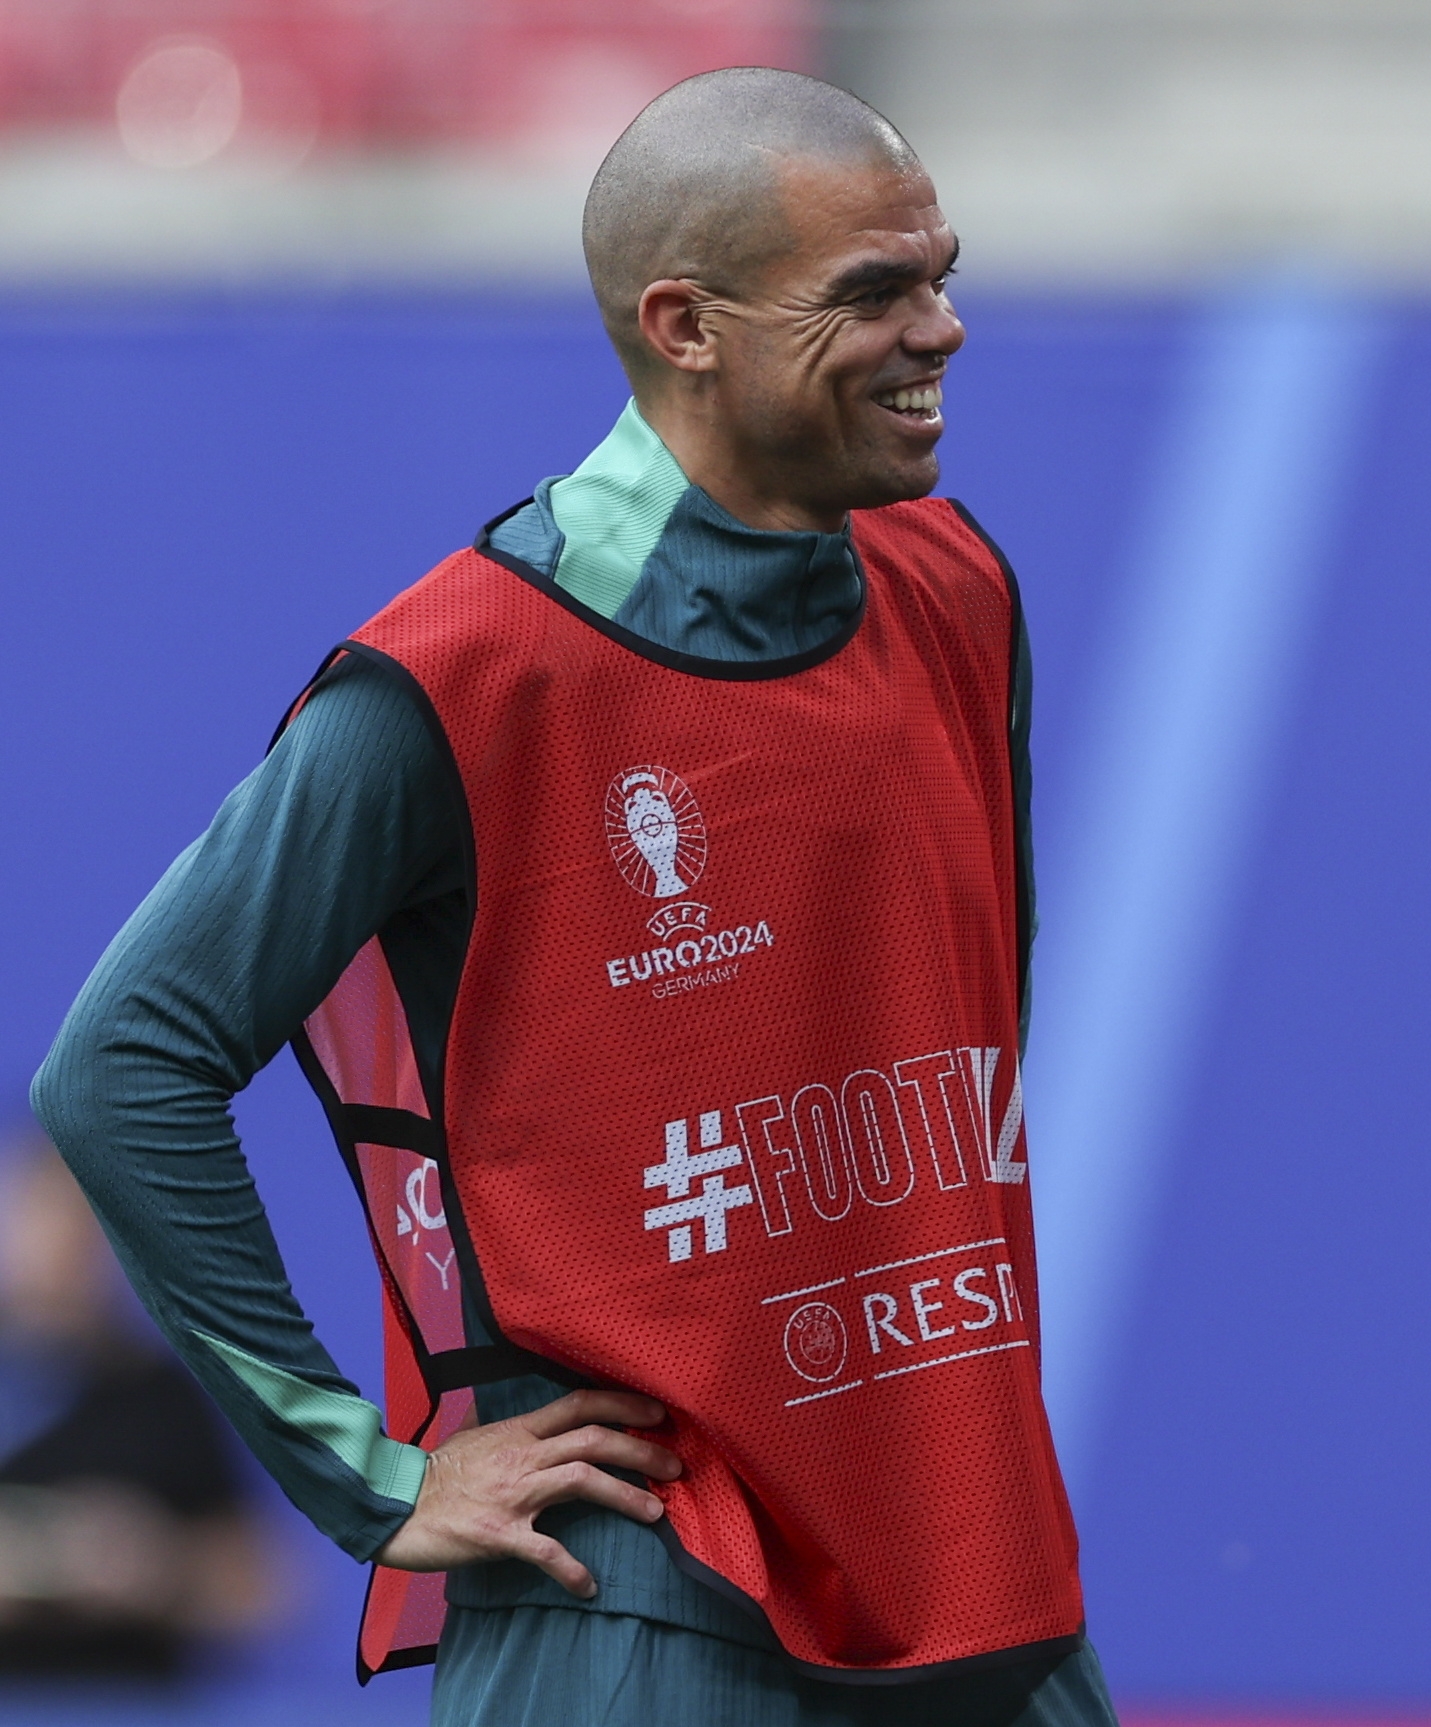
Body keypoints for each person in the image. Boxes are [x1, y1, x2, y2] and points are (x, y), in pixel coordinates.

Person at [31, 67, 1113, 1725]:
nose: (944, 328)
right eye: (874, 293)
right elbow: (120, 1067)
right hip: (639, 1611)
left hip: (984, 1596)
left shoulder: (960, 591)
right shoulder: (456, 677)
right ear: (684, 324)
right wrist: (377, 1475)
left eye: (942, 273)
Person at [0, 1128, 274, 1679]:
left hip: (126, 1698)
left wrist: (157, 1567)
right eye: (37, 1216)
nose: (56, 1247)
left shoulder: (162, 1395)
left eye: (80, 1222)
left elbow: (264, 1590)